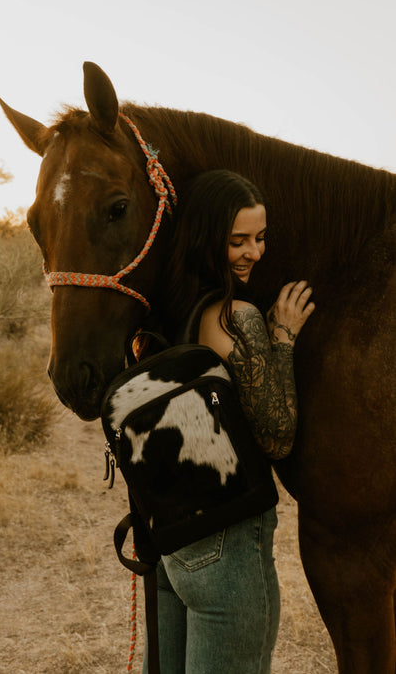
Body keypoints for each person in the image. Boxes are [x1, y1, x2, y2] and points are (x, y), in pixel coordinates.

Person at [143, 169, 315, 674]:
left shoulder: (167, 312)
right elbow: (277, 435)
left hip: (172, 546)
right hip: (228, 545)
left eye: (260, 238)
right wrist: (281, 335)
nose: (253, 253)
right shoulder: (232, 317)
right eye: (237, 240)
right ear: (206, 238)